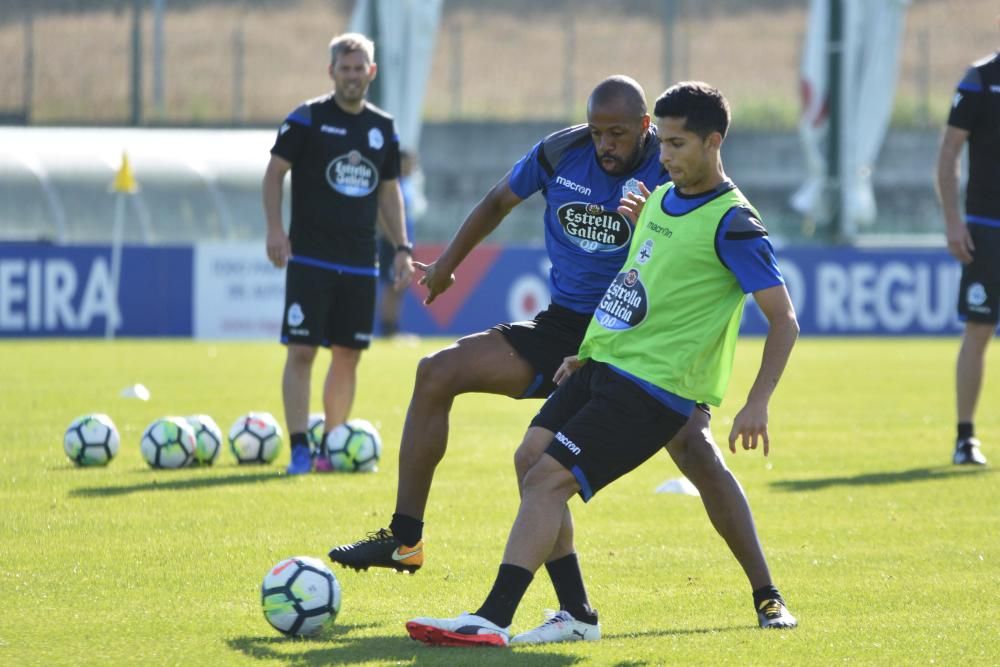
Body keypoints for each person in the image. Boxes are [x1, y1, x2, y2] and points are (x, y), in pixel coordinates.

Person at [330, 75, 796, 635]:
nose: (610, 145)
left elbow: (778, 317)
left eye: (632, 136)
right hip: (592, 343)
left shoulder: (719, 212)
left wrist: (757, 400)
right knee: (501, 432)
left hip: (654, 368)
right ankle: (535, 595)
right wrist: (586, 346)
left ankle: (764, 595)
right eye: (599, 132)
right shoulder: (624, 183)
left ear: (694, 138)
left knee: (682, 453)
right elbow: (615, 271)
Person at [262, 32, 414, 475]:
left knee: (348, 354)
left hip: (360, 262)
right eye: (343, 69)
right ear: (332, 72)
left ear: (372, 72)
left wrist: (402, 246)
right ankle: (298, 449)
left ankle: (332, 445)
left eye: (358, 68)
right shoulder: (306, 119)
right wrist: (275, 229)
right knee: (303, 351)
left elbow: (389, 193)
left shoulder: (382, 128)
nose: (351, 76)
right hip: (309, 258)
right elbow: (274, 176)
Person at [935, 49, 999, 467]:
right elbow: (948, 154)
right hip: (986, 227)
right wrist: (954, 221)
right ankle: (965, 438)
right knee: (978, 330)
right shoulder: (980, 79)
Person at [376, 151, 423, 337]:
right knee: (392, 285)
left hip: (405, 244)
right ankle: (388, 330)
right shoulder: (391, 183)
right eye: (408, 163)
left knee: (400, 286)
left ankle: (393, 328)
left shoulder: (408, 184)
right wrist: (396, 241)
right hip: (393, 244)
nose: (412, 167)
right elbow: (381, 213)